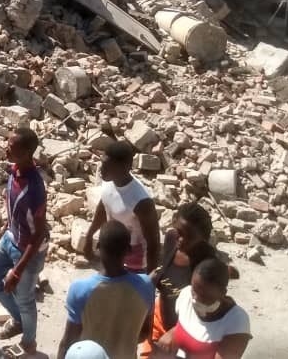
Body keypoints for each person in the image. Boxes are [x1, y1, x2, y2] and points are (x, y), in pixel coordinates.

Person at [0, 128, 50, 355]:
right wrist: (6, 227)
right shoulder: (14, 171)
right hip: (11, 237)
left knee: (25, 298)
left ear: (27, 152)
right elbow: (14, 206)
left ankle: (29, 343)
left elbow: (38, 234)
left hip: (29, 250)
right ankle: (19, 320)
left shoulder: (35, 187)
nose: (6, 148)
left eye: (12, 146)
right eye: (7, 143)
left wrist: (18, 270)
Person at [59, 221, 154, 359]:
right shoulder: (146, 286)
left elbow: (68, 342)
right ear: (128, 250)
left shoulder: (80, 289)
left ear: (98, 247)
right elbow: (145, 333)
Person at [140, 203, 220, 359]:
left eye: (190, 237)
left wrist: (176, 332)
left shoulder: (207, 263)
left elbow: (209, 311)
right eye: (180, 231)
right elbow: (160, 272)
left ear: (203, 239)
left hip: (185, 335)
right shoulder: (171, 238)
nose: (181, 240)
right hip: (158, 321)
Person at [83, 140, 160, 274]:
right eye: (102, 163)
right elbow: (104, 206)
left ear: (124, 167)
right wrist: (89, 236)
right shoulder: (109, 182)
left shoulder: (141, 200)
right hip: (110, 256)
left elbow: (153, 243)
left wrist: (149, 282)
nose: (101, 169)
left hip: (135, 264)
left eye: (107, 165)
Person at [152, 259, 251, 359]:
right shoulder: (186, 296)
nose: (195, 298)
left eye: (204, 296)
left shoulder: (237, 323)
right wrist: (172, 333)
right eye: (194, 290)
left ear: (223, 293)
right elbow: (188, 325)